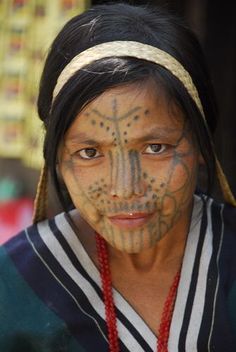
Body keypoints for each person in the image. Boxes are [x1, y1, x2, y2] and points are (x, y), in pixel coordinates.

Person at [0, 2, 236, 351]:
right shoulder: (15, 285)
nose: (125, 190)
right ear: (57, 160)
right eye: (90, 153)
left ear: (202, 144)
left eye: (156, 147)